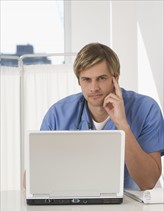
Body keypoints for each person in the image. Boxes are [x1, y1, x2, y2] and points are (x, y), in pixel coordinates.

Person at [40, 42, 164, 190]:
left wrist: (123, 126)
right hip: (75, 206)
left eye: (102, 78)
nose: (94, 88)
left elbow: (148, 182)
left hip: (130, 208)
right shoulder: (58, 114)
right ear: (78, 80)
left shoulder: (147, 109)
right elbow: (31, 181)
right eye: (86, 79)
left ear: (116, 77)